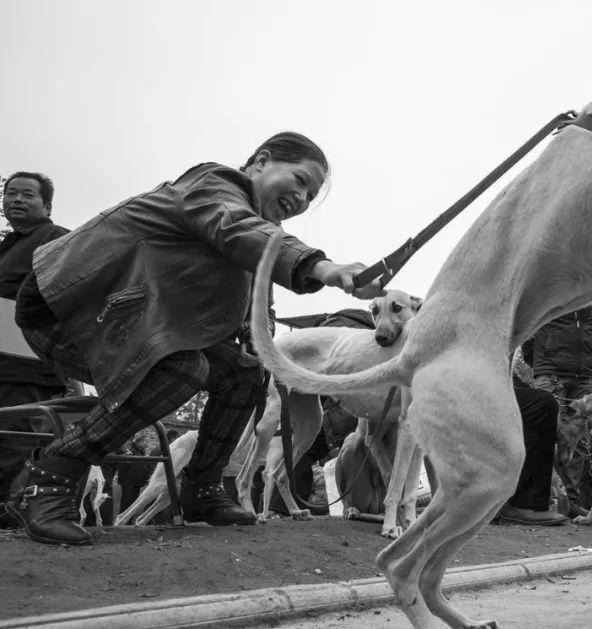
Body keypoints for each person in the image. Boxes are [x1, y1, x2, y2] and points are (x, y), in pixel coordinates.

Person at [5, 132, 382, 546]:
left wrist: (257, 336)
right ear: (261, 160)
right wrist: (324, 269)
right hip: (68, 305)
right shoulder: (213, 185)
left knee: (244, 373)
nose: (302, 197)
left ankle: (202, 486)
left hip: (139, 318)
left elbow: (253, 307)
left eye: (310, 195)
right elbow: (238, 228)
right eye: (299, 179)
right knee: (183, 368)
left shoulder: (258, 239)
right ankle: (50, 477)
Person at [0, 173, 71, 526]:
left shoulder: (57, 241)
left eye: (27, 194)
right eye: (10, 193)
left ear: (47, 205)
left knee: (15, 449)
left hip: (29, 369)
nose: (16, 199)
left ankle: (12, 523)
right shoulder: (6, 246)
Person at [522, 300, 592, 518]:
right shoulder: (555, 283)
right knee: (543, 436)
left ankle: (572, 501)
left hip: (585, 375)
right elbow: (531, 328)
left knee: (576, 443)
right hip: (551, 371)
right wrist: (542, 363)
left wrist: (590, 357)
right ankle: (539, 500)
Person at [495, 350, 569, 525]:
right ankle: (523, 503)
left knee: (542, 401)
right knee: (542, 405)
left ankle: (524, 501)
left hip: (487, 377)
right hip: (465, 381)